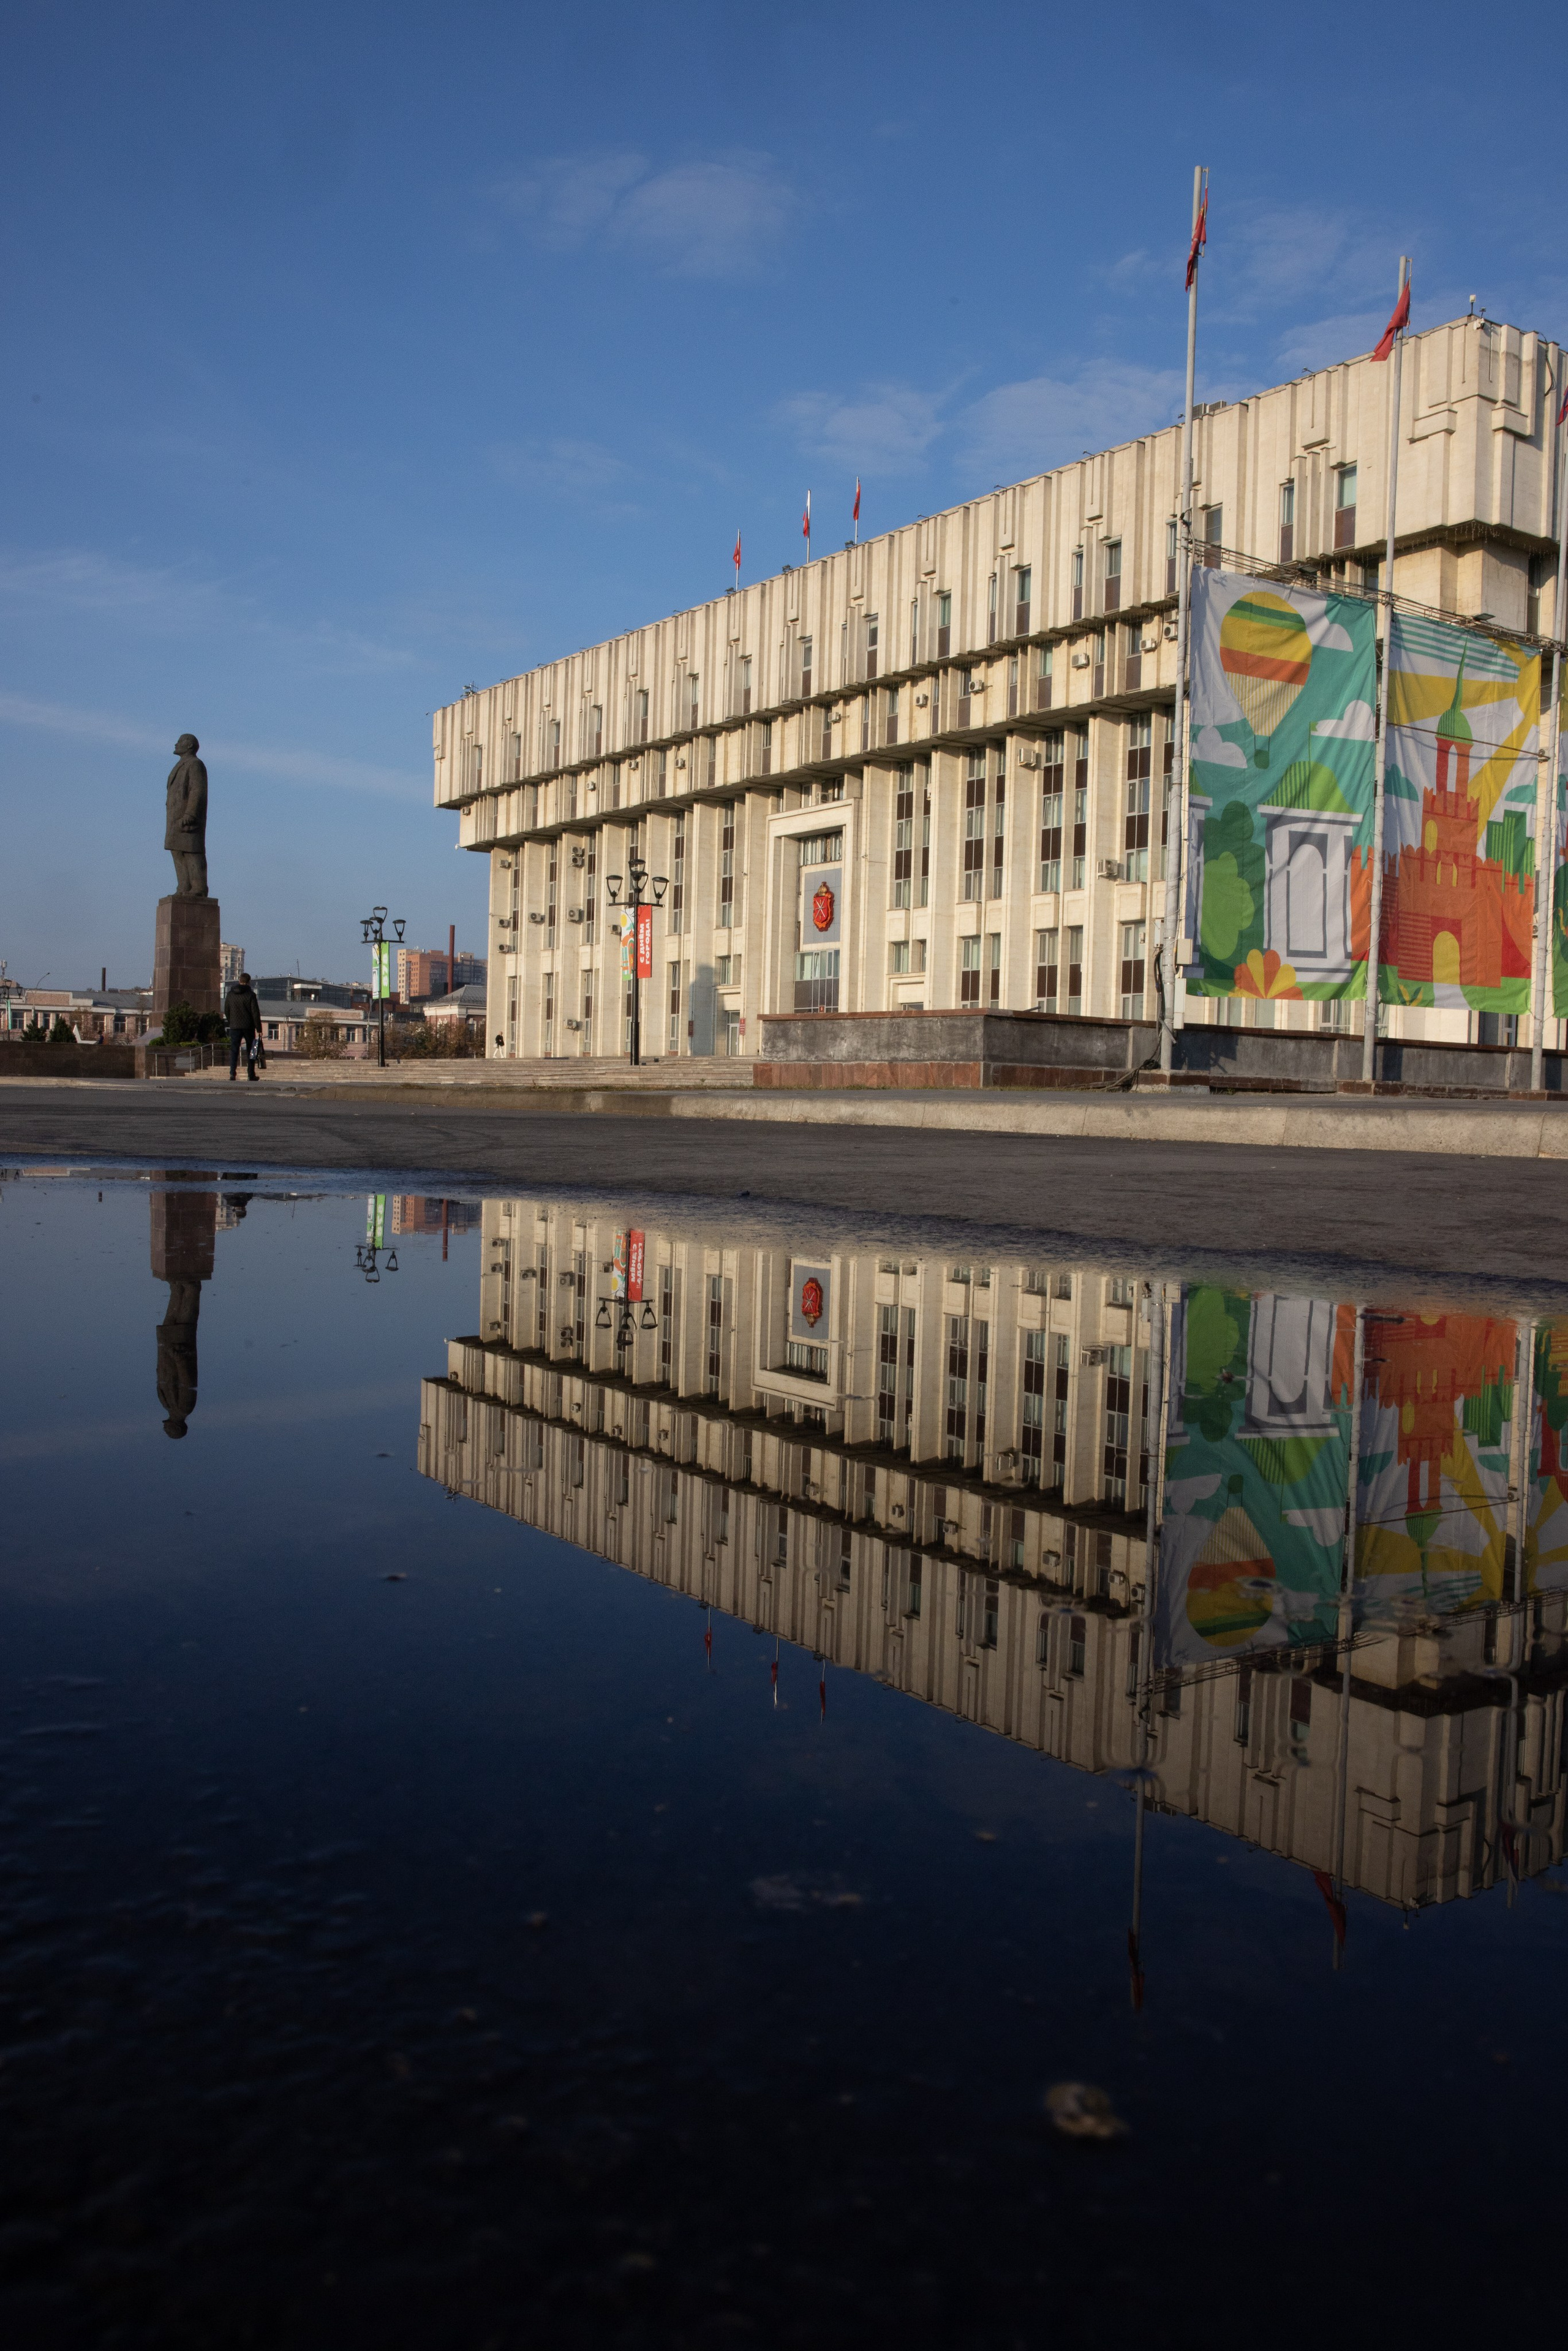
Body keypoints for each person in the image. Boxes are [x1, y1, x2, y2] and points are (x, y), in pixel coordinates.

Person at [224, 970, 262, 1081]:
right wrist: (259, 1028)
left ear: (239, 981)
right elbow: (255, 1013)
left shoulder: (230, 995)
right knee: (251, 1050)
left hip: (235, 1026)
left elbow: (227, 1010)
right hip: (248, 1026)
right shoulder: (251, 995)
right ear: (249, 982)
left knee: (234, 1050)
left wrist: (232, 1022)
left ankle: (232, 1074)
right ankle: (251, 1074)